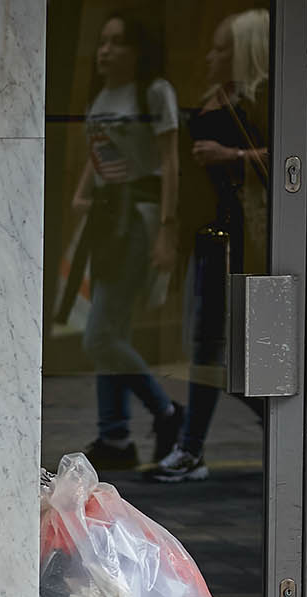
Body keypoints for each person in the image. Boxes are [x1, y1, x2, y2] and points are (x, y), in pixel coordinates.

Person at [149, 7, 271, 484]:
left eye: (223, 48)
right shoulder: (213, 98)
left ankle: (200, 446)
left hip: (248, 239)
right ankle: (191, 448)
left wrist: (233, 156)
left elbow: (293, 158)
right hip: (210, 237)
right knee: (205, 346)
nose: (210, 55)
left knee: (233, 353)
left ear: (245, 52)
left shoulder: (261, 99)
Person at [67, 10, 186, 472]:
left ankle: (167, 411)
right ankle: (114, 435)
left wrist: (167, 230)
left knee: (100, 335)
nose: (105, 50)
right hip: (107, 217)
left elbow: (170, 162)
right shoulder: (104, 95)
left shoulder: (154, 92)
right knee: (109, 332)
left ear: (138, 50)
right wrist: (83, 191)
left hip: (138, 216)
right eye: (102, 41)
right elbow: (100, 152)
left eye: (117, 41)